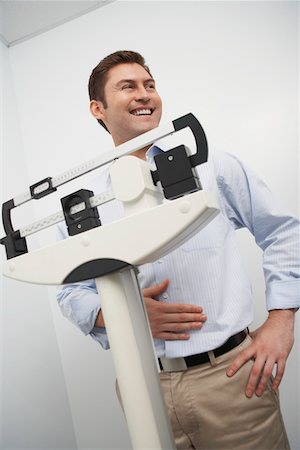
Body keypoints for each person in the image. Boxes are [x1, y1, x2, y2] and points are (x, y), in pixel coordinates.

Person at [57, 50, 299, 449]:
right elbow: (71, 290)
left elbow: (284, 233)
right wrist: (115, 316)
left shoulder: (212, 166)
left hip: (230, 382)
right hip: (141, 386)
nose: (144, 94)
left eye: (149, 85)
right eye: (128, 86)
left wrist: (281, 320)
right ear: (97, 109)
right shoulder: (87, 204)